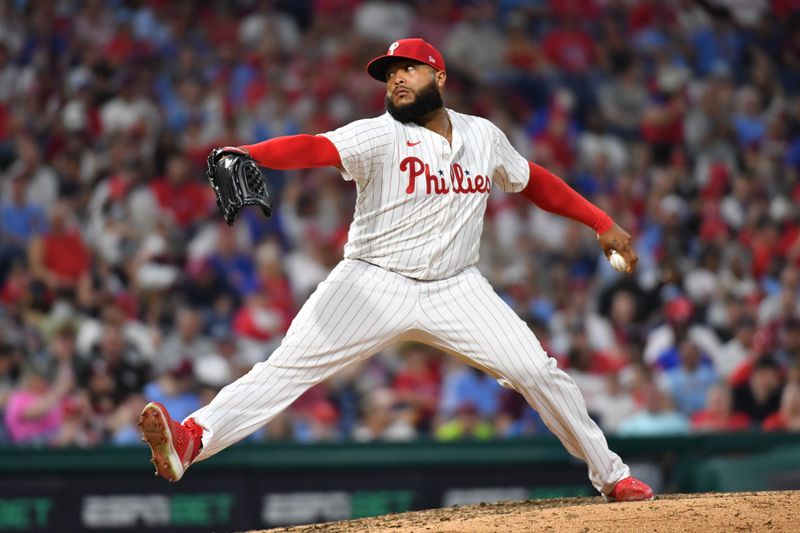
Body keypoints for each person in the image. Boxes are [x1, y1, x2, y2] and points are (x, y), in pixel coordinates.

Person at [138, 38, 653, 502]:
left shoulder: (483, 135)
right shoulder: (379, 136)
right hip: (372, 281)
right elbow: (316, 147)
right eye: (390, 74)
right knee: (287, 368)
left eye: (409, 68)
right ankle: (193, 437)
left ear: (441, 78)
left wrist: (599, 219)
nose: (397, 79)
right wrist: (249, 152)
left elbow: (531, 179)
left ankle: (611, 475)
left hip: (457, 286)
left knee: (537, 371)